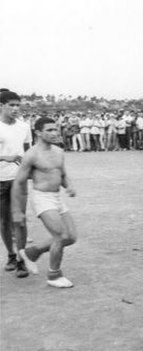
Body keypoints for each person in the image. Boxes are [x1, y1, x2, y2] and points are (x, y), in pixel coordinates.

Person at [11, 117, 78, 287]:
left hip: (56, 197)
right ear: (38, 133)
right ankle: (54, 275)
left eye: (56, 129)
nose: (55, 133)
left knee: (71, 237)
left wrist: (69, 186)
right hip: (42, 198)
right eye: (49, 130)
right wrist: (17, 211)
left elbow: (62, 175)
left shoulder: (59, 151)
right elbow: (18, 183)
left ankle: (31, 252)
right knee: (60, 236)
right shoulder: (32, 154)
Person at [0, 90, 31, 277]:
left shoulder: (24, 127)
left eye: (18, 105)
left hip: (19, 180)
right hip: (0, 180)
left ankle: (21, 259)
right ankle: (11, 255)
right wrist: (5, 157)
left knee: (19, 220)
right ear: (1, 105)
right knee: (4, 222)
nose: (15, 108)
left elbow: (28, 150)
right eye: (11, 105)